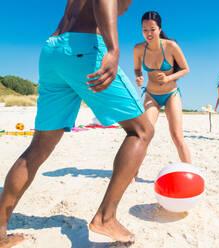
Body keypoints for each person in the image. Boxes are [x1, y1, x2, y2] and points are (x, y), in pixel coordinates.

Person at [0, 0, 154, 246]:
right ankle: (106, 217)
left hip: (53, 49)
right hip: (84, 48)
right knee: (142, 131)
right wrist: (113, 50)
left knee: (38, 148)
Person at [133, 11, 191, 163]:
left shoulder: (171, 46)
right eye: (145, 30)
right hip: (151, 95)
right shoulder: (138, 49)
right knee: (144, 134)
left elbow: (186, 69)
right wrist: (139, 77)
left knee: (177, 136)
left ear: (159, 29)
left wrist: (168, 78)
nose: (148, 33)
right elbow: (137, 69)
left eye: (152, 29)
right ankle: (132, 174)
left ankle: (190, 171)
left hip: (171, 94)